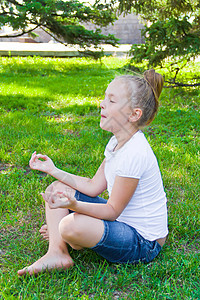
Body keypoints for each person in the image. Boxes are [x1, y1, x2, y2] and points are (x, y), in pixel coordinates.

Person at [18, 69, 168, 276]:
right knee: (57, 188)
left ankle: (71, 238)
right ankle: (58, 252)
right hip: (120, 222)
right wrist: (53, 170)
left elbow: (112, 210)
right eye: (105, 97)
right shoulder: (117, 141)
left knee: (70, 226)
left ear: (134, 115)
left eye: (112, 101)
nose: (102, 103)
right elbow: (93, 185)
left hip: (143, 242)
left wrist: (73, 206)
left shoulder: (135, 153)